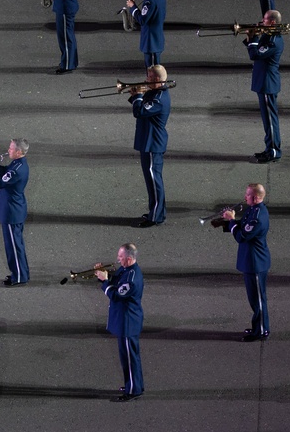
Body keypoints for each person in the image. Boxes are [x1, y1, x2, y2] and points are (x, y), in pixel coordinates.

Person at [220, 184, 271, 342]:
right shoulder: (254, 209)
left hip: (255, 263)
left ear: (255, 198)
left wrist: (232, 221)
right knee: (254, 299)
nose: (244, 197)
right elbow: (243, 225)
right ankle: (258, 327)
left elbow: (242, 236)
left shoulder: (257, 217)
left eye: (247, 195)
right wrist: (227, 222)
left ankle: (261, 331)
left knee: (258, 300)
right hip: (251, 260)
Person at [95, 244, 144, 402]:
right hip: (126, 321)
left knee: (129, 358)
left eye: (121, 257)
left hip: (127, 323)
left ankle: (132, 390)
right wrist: (104, 274)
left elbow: (115, 295)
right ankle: (134, 385)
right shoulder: (127, 270)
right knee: (129, 357)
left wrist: (104, 282)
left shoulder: (131, 279)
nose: (118, 259)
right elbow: (116, 280)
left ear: (129, 259)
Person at [0, 139, 30, 286]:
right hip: (13, 210)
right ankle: (20, 273)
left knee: (13, 248)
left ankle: (19, 277)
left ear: (19, 152)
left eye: (11, 149)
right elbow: (6, 173)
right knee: (15, 246)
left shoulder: (17, 169)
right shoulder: (17, 163)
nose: (8, 150)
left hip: (11, 212)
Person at [129, 64, 170, 228]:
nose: (146, 80)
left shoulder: (159, 98)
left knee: (154, 181)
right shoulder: (155, 93)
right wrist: (136, 96)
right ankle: (157, 212)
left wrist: (138, 96)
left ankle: (155, 216)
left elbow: (140, 112)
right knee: (151, 180)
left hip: (153, 143)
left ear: (158, 79)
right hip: (148, 141)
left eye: (149, 77)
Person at [246, 10, 284, 163]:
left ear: (273, 22)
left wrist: (253, 37)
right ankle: (269, 148)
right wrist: (251, 38)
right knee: (267, 120)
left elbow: (255, 54)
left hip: (268, 83)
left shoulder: (274, 40)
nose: (262, 21)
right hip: (263, 82)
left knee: (270, 121)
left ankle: (274, 151)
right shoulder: (269, 35)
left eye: (265, 19)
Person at [126, 0, 166, 67]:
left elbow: (142, 20)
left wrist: (133, 7)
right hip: (157, 37)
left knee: (152, 70)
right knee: (157, 71)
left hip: (150, 40)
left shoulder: (150, 0)